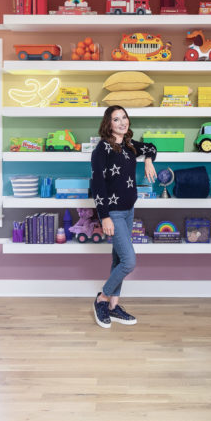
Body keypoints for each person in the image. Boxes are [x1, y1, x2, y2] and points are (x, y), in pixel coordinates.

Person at [89, 105, 157, 328]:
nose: (122, 122)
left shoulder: (129, 145)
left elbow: (151, 147)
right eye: (116, 119)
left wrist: (147, 159)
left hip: (129, 210)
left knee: (118, 259)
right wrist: (105, 217)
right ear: (108, 124)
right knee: (129, 261)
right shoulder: (102, 150)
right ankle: (102, 298)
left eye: (124, 117)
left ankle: (113, 307)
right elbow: (97, 185)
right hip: (113, 213)